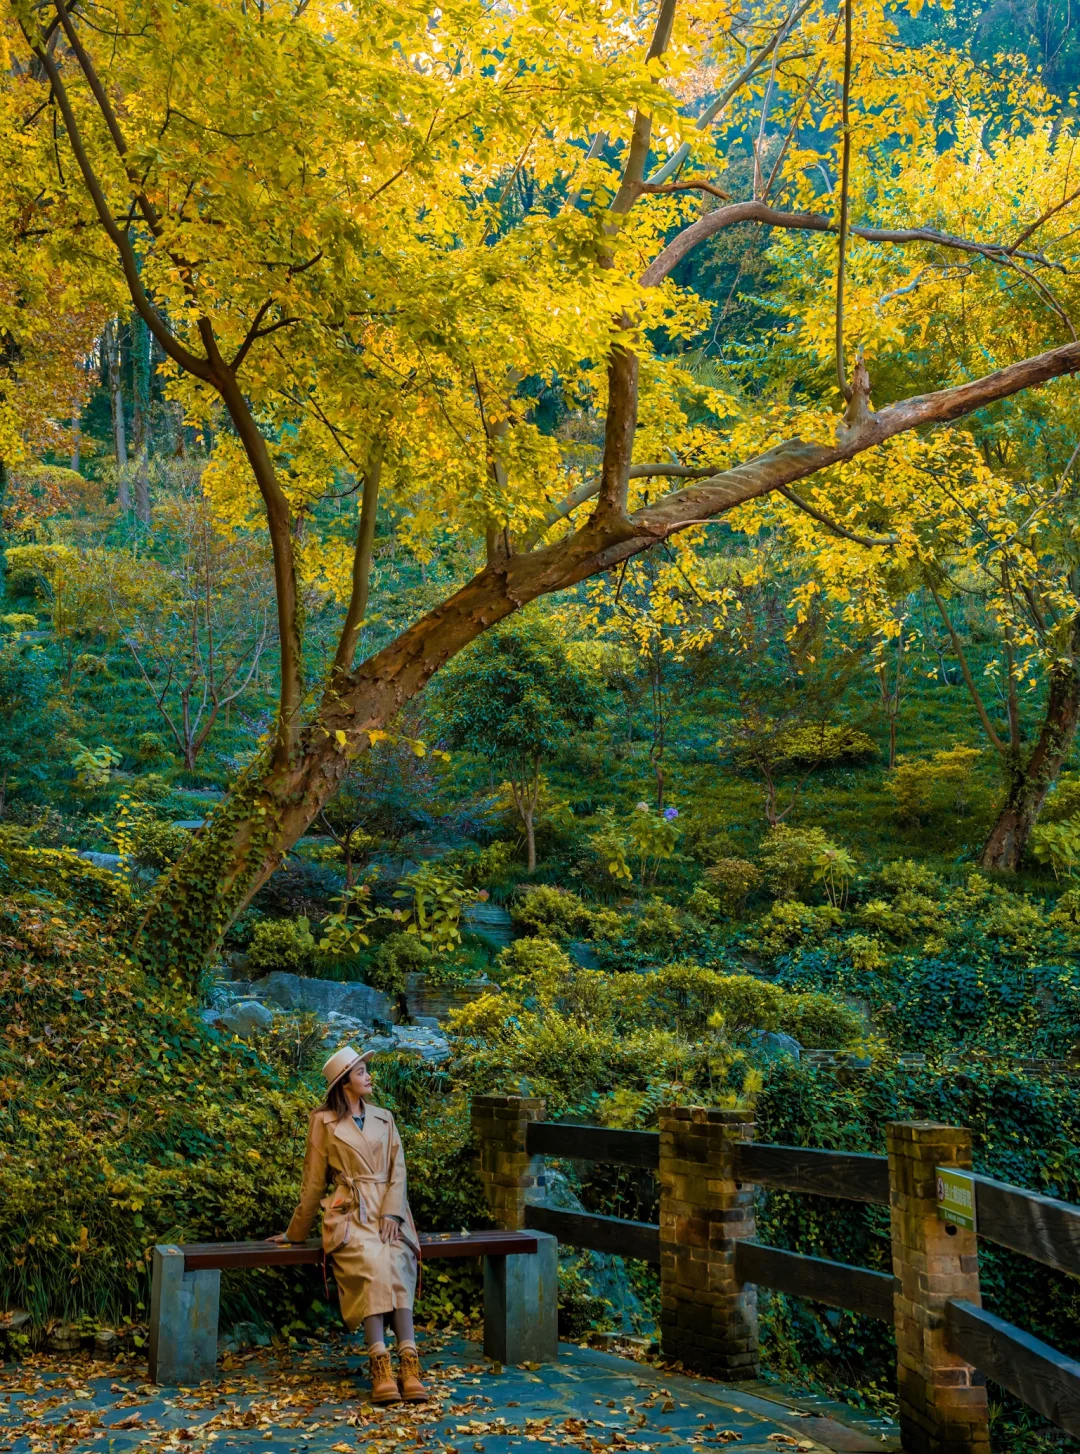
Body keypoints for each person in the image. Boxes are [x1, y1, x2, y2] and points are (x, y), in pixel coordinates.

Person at [269, 1045, 426, 1404]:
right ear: (343, 1083)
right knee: (370, 1263)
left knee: (399, 1260)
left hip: (389, 1210)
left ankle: (409, 1361)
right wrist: (295, 1233)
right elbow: (313, 1183)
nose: (369, 1076)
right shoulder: (322, 1122)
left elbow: (398, 1172)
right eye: (360, 1072)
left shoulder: (385, 1118)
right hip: (350, 1211)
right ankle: (379, 1363)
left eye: (366, 1070)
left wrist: (392, 1214)